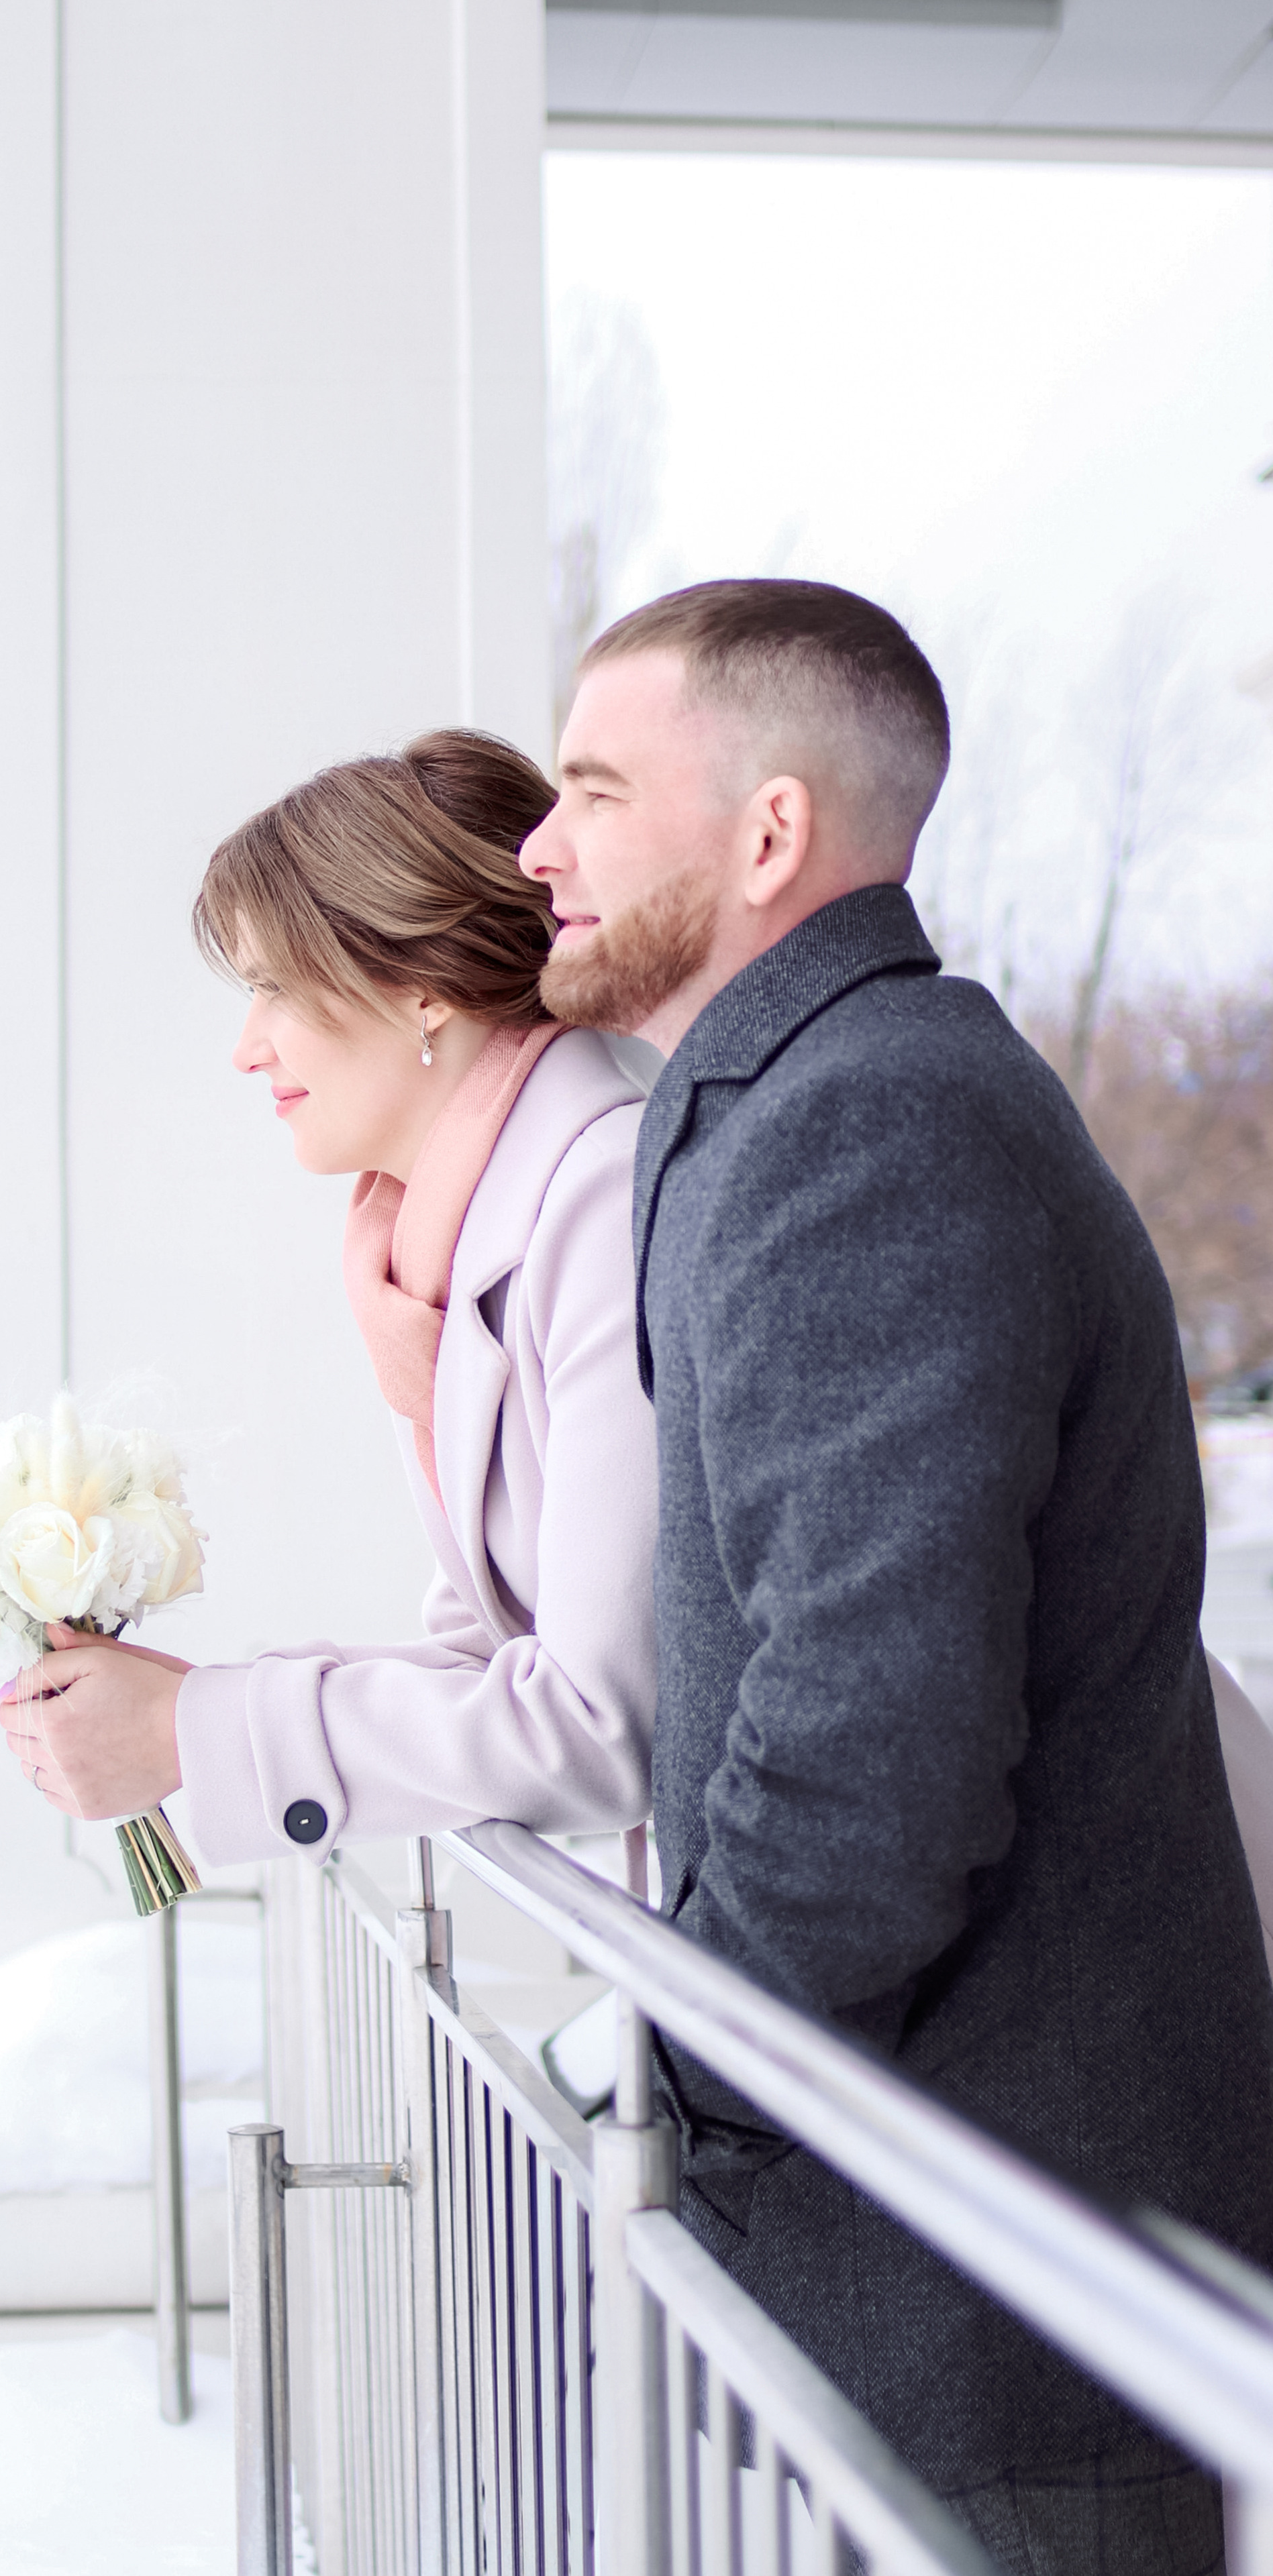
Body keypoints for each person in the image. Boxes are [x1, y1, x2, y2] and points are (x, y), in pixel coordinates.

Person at [522, 577, 1273, 2576]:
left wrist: (664, 2071)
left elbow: (871, 1753)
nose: (540, 845)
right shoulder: (805, 1100)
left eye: (593, 790)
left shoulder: (878, 1131)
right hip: (928, 2261)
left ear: (769, 834)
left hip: (997, 2301)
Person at [0, 728, 656, 1864]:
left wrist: (191, 1736)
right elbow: (489, 1656)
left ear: (422, 989)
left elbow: (601, 1725)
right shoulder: (431, 1250)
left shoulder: (602, 1206)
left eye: (269, 988)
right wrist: (189, 1708)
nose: (247, 1050)